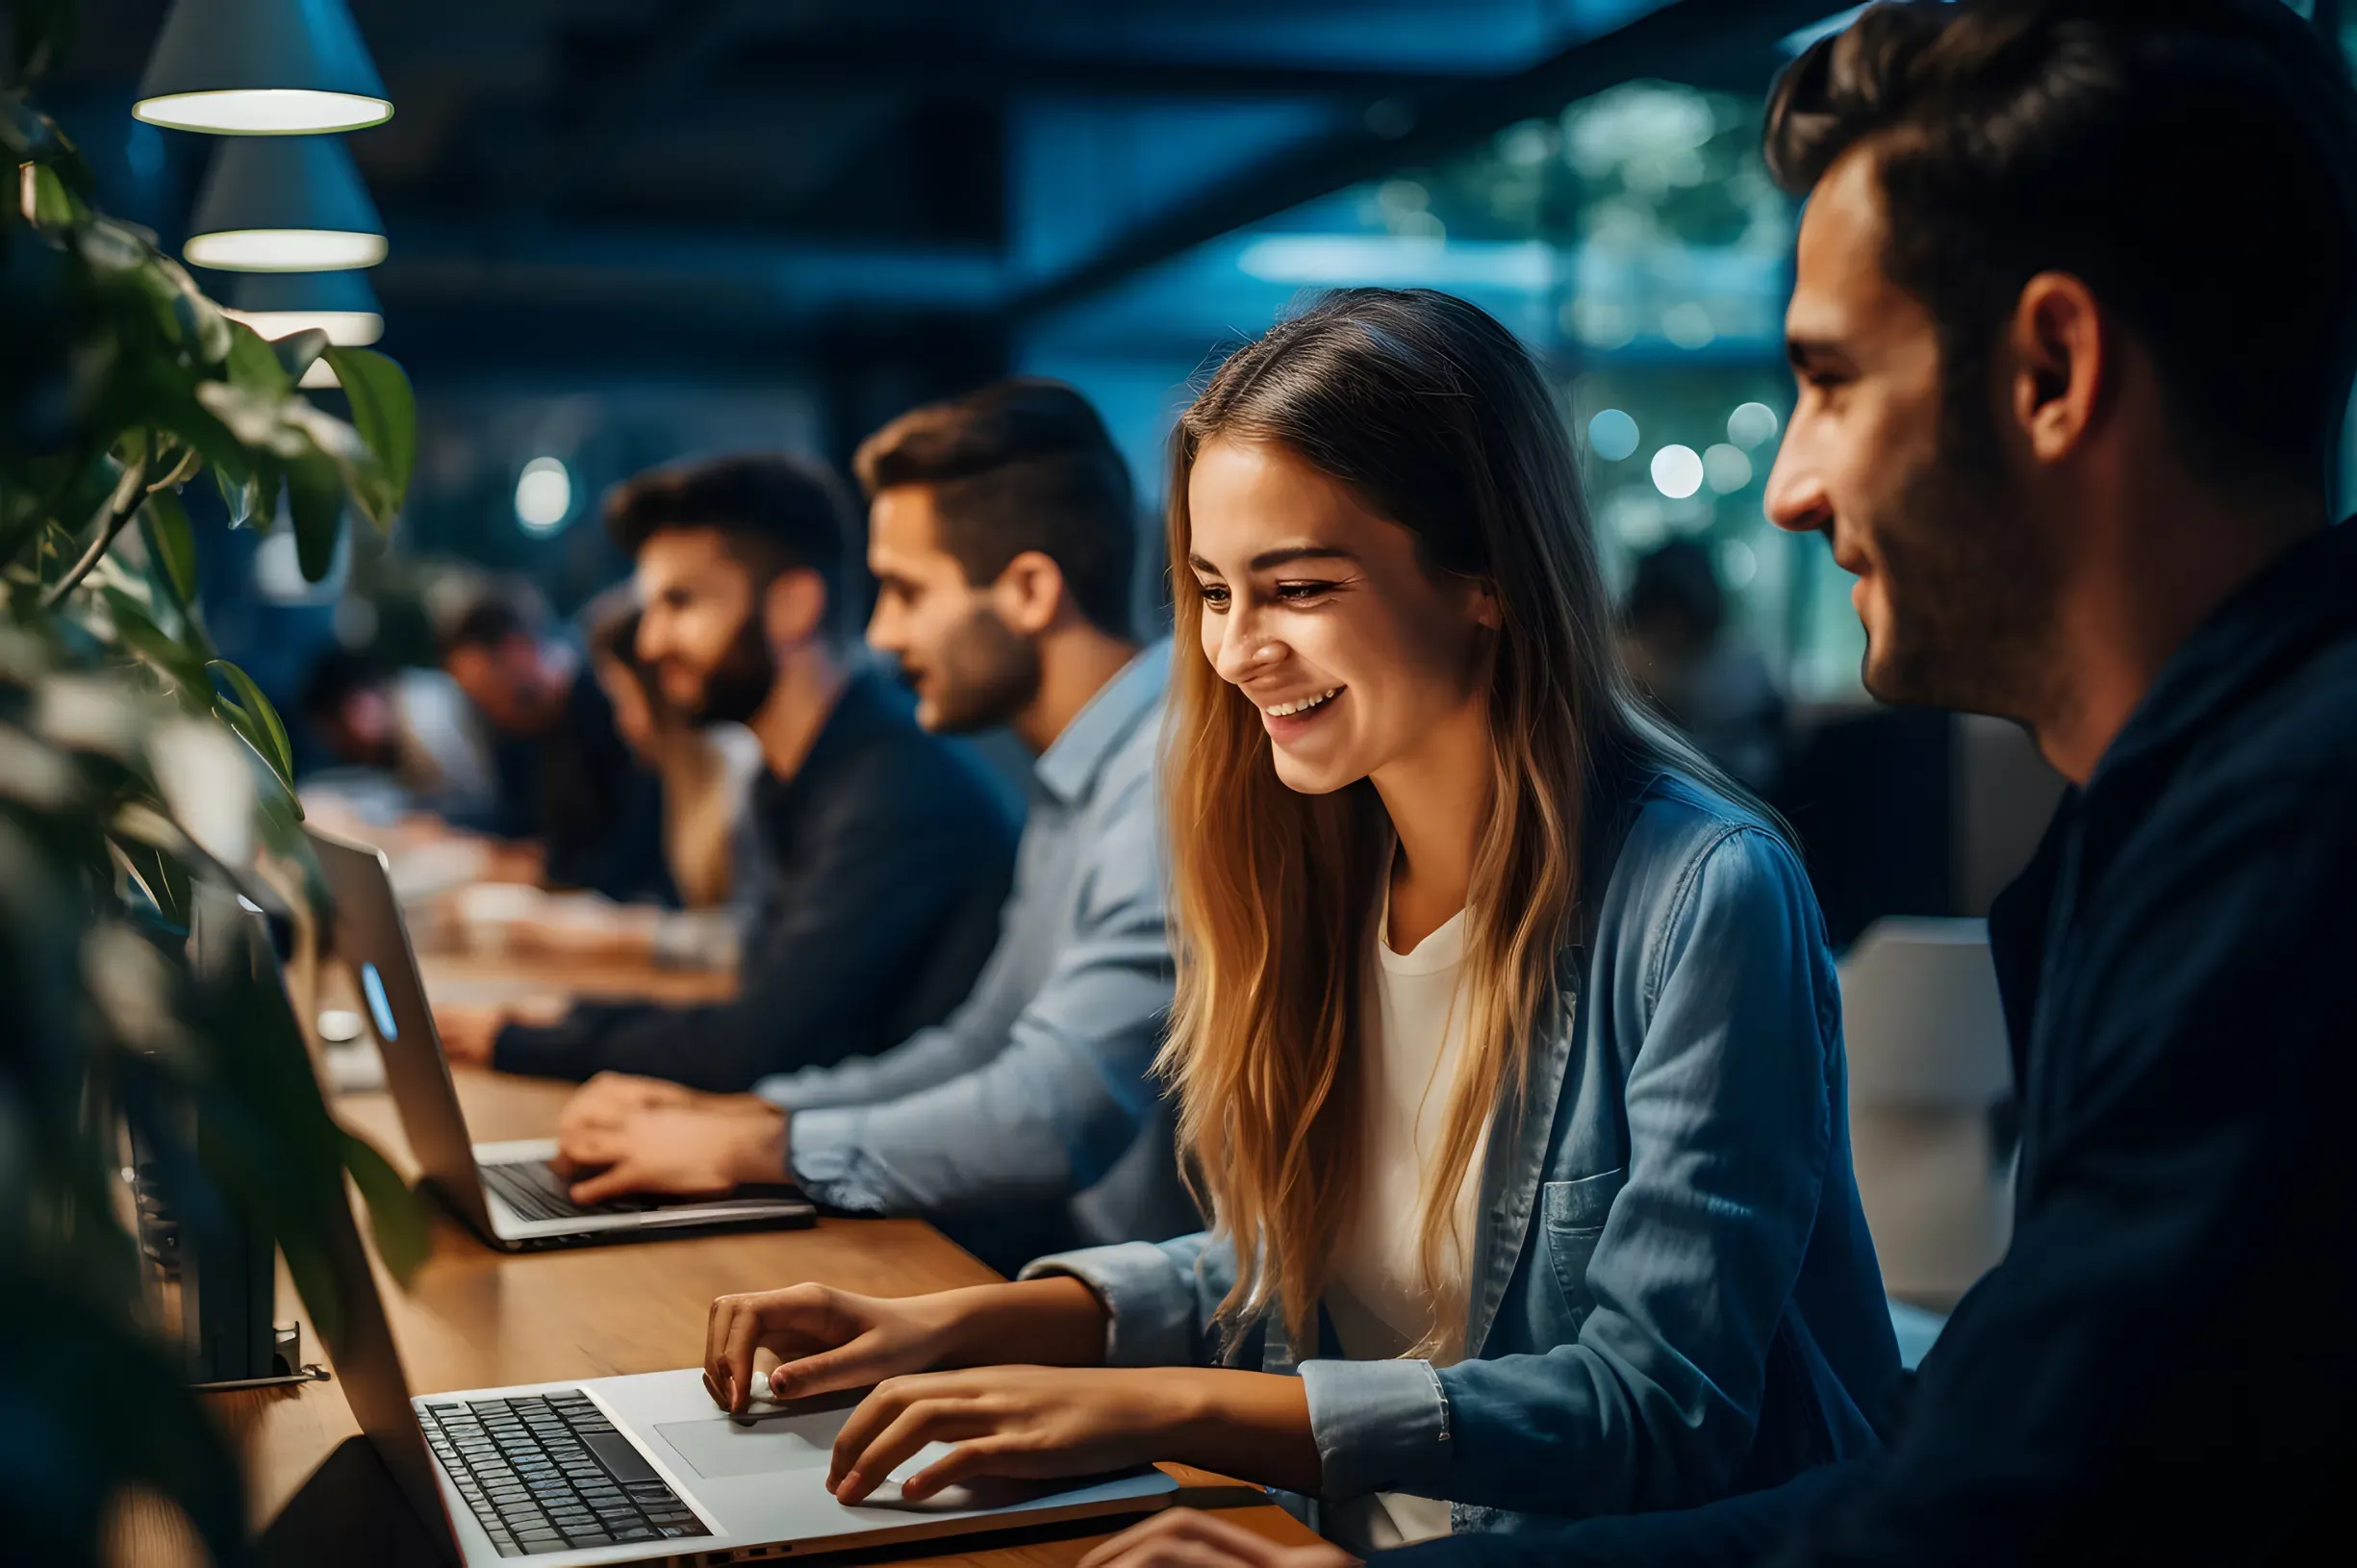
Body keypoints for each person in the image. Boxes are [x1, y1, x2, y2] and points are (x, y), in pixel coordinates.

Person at [1098, 4, 2357, 1566]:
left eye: (1830, 381)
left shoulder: (2285, 859)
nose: (1788, 484)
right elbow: (1982, 1461)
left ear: (2052, 369)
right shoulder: (2150, 841)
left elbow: (1983, 1512)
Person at [692, 291, 1898, 1546]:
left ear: (1483, 577)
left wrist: (1150, 1404)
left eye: (1298, 587)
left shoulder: (1704, 892)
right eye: (1213, 591)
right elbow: (1288, 1267)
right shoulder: (1306, 854)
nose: (1234, 648)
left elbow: (1653, 1408)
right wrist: (969, 1321)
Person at [548, 380, 1199, 1270]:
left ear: (1031, 591)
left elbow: (1049, 1114)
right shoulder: (1083, 777)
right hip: (1073, 1267)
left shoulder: (1169, 781)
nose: (882, 635)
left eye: (903, 591)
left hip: (1133, 1304)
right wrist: (750, 1116)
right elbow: (982, 1043)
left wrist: (753, 1149)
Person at [435, 454, 1018, 1093]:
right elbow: (762, 996)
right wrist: (569, 1018)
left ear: (794, 607)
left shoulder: (893, 788)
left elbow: (758, 1043)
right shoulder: (795, 776)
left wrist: (522, 1040)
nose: (651, 643)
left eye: (679, 603)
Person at [451, 596, 769, 972]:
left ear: (667, 686)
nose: (621, 719)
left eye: (625, 698)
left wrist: (608, 933)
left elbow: (751, 938)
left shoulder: (733, 772)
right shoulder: (687, 779)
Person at [440, 596, 672, 902]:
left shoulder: (610, 710)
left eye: (487, 692)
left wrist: (549, 873)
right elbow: (516, 820)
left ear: (517, 651)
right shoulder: (514, 728)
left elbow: (636, 859)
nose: (488, 710)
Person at [1620, 541, 1787, 794]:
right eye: (1661, 616)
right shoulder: (1629, 660)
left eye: (1677, 615)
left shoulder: (1736, 668)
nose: (1671, 628)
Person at [296, 646, 502, 822]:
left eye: (340, 736)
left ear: (358, 705)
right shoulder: (406, 701)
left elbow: (475, 803)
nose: (344, 749)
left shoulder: (422, 719)